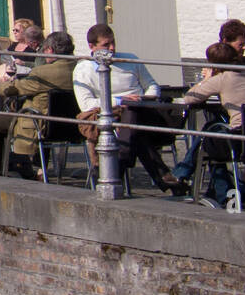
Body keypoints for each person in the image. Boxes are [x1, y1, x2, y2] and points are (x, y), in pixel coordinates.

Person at [71, 23, 178, 192]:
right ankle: (166, 180)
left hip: (143, 111)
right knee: (135, 126)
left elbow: (152, 85)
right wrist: (120, 100)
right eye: (106, 45)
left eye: (113, 43)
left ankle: (122, 158)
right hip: (114, 115)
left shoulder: (130, 59)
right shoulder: (83, 69)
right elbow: (86, 104)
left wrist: (144, 97)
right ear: (92, 46)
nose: (112, 48)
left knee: (133, 112)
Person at [176, 41, 245, 203]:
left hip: (238, 141)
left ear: (214, 64)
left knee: (209, 140)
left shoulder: (222, 79)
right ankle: (190, 177)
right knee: (211, 130)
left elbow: (189, 97)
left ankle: (221, 194)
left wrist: (207, 78)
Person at [0, 31, 77, 178]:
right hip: (71, 126)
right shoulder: (79, 68)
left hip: (39, 124)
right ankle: (32, 166)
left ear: (50, 50)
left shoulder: (43, 72)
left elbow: (17, 88)